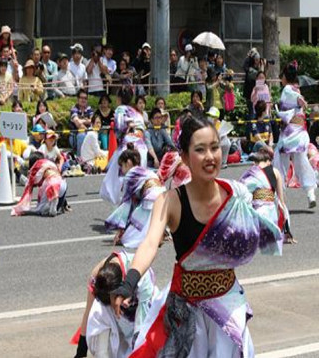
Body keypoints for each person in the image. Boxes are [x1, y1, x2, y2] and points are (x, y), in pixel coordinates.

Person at [111, 115, 282, 358]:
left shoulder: (237, 195)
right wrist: (130, 282)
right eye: (200, 150)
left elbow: (263, 223)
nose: (210, 156)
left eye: (214, 147)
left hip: (227, 305)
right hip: (186, 310)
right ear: (184, 157)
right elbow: (150, 243)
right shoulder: (170, 200)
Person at [72, 250, 157, 358]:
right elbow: (88, 313)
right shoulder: (97, 276)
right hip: (118, 321)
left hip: (141, 313)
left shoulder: (143, 278)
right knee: (98, 309)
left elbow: (141, 328)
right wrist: (81, 351)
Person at [273, 61, 317, 208]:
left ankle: (277, 197)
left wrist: (299, 100)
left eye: (282, 76)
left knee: (279, 161)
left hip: (289, 134)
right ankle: (311, 193)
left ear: (285, 77)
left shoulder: (287, 89)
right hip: (299, 132)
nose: (281, 79)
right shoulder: (296, 88)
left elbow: (292, 97)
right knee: (301, 162)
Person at [106, 144, 166, 247]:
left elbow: (125, 205)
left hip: (150, 198)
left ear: (128, 163)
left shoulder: (130, 175)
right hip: (162, 197)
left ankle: (153, 238)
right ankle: (160, 234)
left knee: (130, 237)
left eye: (122, 166)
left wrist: (120, 232)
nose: (122, 170)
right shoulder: (146, 170)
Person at [100, 87, 148, 205]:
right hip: (141, 147)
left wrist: (119, 129)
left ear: (119, 98)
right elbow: (142, 130)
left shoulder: (120, 109)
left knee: (122, 175)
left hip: (127, 146)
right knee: (138, 178)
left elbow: (120, 128)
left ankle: (124, 209)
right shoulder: (137, 112)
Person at [240, 143, 295, 244]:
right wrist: (287, 231)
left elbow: (242, 190)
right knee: (282, 207)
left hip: (256, 207)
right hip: (269, 206)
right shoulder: (275, 172)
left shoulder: (251, 172)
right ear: (269, 161)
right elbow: (281, 200)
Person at [11, 151, 69, 217]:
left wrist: (16, 172)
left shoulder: (34, 169)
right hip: (62, 185)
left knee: (40, 209)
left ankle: (48, 206)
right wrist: (63, 203)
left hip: (50, 185)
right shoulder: (50, 163)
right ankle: (55, 204)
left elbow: (27, 183)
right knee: (58, 185)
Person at [69, 89, 94, 156]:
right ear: (78, 99)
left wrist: (82, 121)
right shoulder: (74, 109)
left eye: (85, 98)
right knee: (82, 135)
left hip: (87, 133)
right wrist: (87, 121)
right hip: (75, 136)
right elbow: (78, 123)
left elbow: (93, 121)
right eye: (81, 98)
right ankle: (79, 158)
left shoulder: (89, 108)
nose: (83, 100)